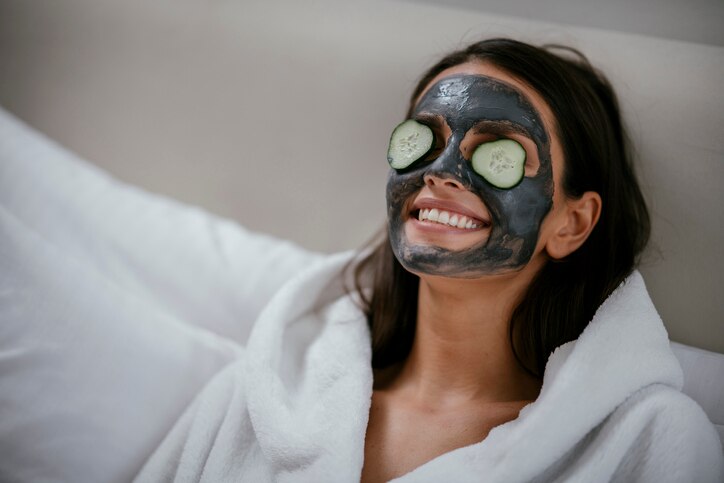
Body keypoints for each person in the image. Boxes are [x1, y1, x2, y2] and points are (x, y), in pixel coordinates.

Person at [0, 38, 720, 482]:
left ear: (572, 222)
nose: (440, 171)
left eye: (495, 150)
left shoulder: (648, 443)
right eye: (423, 138)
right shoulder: (259, 398)